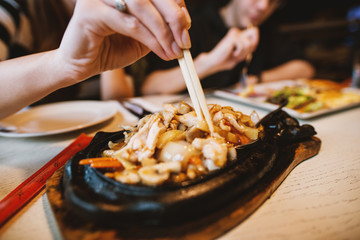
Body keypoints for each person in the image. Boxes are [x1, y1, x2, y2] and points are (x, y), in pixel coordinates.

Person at [0, 0, 191, 119]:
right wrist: (61, 65)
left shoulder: (122, 12)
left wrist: (110, 32)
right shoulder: (12, 10)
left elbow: (116, 101)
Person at [135, 0, 315, 95]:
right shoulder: (192, 23)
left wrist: (255, 80)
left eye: (274, 1)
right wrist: (212, 61)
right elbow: (150, 87)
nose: (263, 6)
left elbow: (305, 68)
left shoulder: (266, 30)